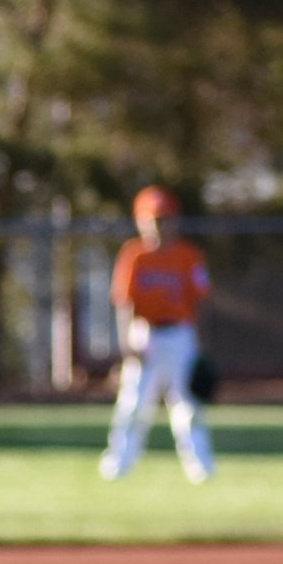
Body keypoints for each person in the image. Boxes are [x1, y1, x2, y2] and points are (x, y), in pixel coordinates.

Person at [100, 186, 217, 482]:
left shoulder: (188, 255)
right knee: (134, 401)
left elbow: (201, 300)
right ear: (141, 221)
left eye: (164, 219)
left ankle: (200, 465)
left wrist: (201, 344)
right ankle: (119, 462)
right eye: (152, 219)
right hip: (146, 333)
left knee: (188, 404)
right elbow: (124, 301)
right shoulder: (135, 254)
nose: (159, 226)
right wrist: (126, 338)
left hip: (180, 334)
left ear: (174, 221)